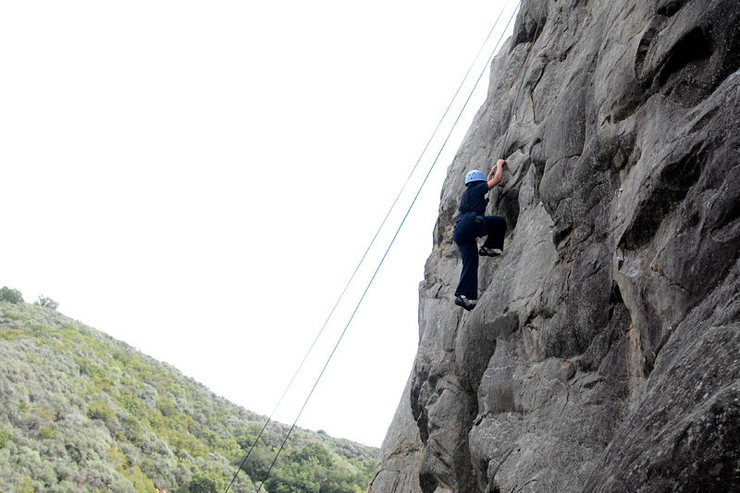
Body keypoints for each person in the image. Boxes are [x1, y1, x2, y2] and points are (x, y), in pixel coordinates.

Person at [453, 159, 507, 310]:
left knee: (470, 263)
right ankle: (488, 247)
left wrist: (490, 172)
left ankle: (462, 296)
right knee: (499, 222)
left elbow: (488, 182)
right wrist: (500, 164)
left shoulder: (468, 193)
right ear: (479, 182)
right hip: (471, 224)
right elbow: (497, 180)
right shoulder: (477, 190)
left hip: (460, 233)